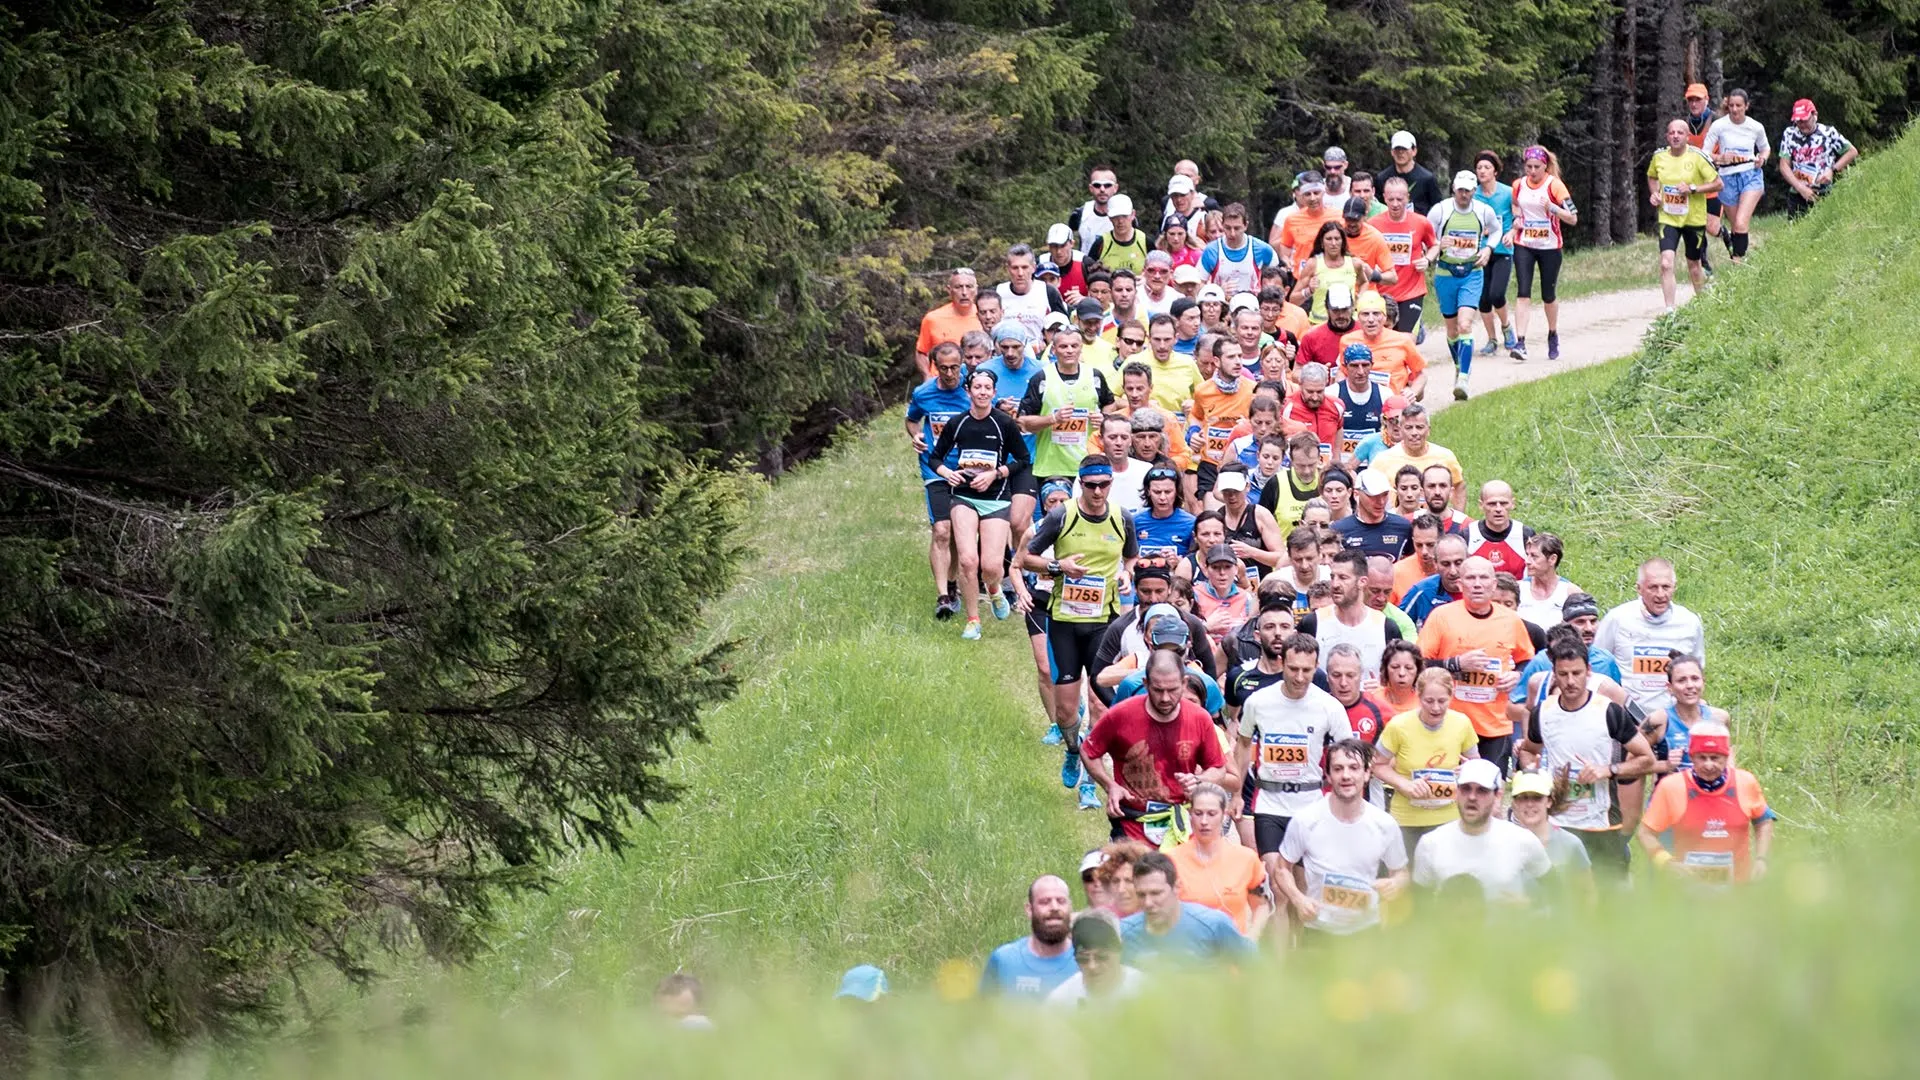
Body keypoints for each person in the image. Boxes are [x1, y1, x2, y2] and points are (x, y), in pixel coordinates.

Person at [1024, 453, 1140, 789]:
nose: (1098, 492)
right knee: (1065, 711)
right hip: (1064, 621)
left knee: (1101, 701)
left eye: (1104, 484)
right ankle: (1074, 749)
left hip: (1104, 622)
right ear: (1080, 484)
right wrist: (1061, 567)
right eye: (1091, 485)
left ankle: (1093, 772)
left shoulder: (1122, 518)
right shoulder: (1062, 516)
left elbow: (1131, 556)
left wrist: (1126, 574)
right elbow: (1026, 558)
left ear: (1111, 483)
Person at [1516, 640, 1656, 876]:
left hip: (1602, 824)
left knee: (1606, 899)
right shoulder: (1544, 712)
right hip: (1558, 823)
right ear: (1554, 675)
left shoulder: (1609, 711)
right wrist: (1532, 771)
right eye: (1563, 674)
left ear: (1588, 671)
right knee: (1561, 895)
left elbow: (1647, 760)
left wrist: (1607, 770)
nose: (1570, 681)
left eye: (1577, 673)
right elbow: (1529, 749)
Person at [1234, 631, 1353, 887]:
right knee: (1277, 882)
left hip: (1310, 803)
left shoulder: (1329, 707)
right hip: (1269, 803)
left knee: (1304, 884)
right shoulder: (1259, 702)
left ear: (1316, 667)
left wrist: (1344, 801)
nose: (1299, 677)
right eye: (1293, 669)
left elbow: (1348, 755)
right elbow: (1243, 743)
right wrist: (1235, 792)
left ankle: (1302, 926)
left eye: (1307, 671)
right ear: (1281, 663)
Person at [924, 367, 1031, 639]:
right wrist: (946, 473)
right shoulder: (957, 422)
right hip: (963, 496)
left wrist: (995, 473)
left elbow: (1022, 460)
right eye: (977, 387)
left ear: (994, 393)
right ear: (968, 391)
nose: (982, 392)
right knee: (968, 561)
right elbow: (935, 457)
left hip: (995, 498)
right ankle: (973, 620)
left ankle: (994, 589)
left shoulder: (1004, 423)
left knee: (991, 567)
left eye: (987, 388)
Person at [1080, 651, 1228, 843]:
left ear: (1184, 684)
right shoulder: (1121, 714)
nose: (1165, 698)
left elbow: (1218, 768)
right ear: (1145, 684)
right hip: (1131, 821)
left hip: (1179, 821)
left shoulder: (1199, 718)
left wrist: (1199, 781)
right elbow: (1089, 750)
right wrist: (1110, 786)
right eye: (1158, 690)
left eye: (1173, 689)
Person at [1274, 739, 1409, 934]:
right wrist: (1298, 899)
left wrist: (1396, 884)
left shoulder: (1384, 824)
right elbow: (1281, 868)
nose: (1346, 776)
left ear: (1367, 774)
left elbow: (1401, 872)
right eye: (1338, 769)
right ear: (1328, 775)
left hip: (1366, 932)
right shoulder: (1305, 820)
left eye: (1354, 768)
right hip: (1318, 930)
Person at [1419, 555, 1535, 769]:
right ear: (1461, 584)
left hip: (1495, 724)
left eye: (1483, 578)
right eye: (1471, 578)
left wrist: (1517, 675)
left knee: (1490, 787)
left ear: (1494, 584)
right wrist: (1455, 664)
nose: (1477, 584)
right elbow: (1419, 665)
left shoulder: (1510, 620)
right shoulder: (1442, 616)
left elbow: (1528, 661)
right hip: (1450, 720)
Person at [1636, 719, 1773, 885]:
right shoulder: (1672, 787)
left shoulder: (1745, 782)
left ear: (1726, 756)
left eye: (1715, 758)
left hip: (1737, 892)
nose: (1709, 765)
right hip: (1687, 892)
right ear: (1691, 756)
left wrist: (1761, 860)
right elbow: (1645, 832)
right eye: (1702, 757)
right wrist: (1666, 862)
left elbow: (1763, 821)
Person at [1410, 758, 1551, 904]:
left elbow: (1557, 891)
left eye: (1482, 790)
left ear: (1497, 796)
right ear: (1456, 792)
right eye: (1466, 788)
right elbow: (1420, 906)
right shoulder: (1431, 843)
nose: (1472, 797)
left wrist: (1530, 905)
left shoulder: (1522, 840)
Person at [1375, 667, 1481, 845]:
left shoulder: (1461, 723)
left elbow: (1476, 763)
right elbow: (1377, 765)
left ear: (1451, 695)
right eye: (1429, 701)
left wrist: (1469, 769)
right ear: (1417, 694)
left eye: (1442, 701)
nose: (1436, 708)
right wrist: (1405, 784)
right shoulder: (1398, 726)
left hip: (1450, 818)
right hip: (1408, 819)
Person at [906, 342, 971, 620]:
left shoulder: (972, 387)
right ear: (934, 366)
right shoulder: (924, 393)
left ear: (962, 364)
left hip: (969, 467)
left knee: (959, 533)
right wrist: (916, 435)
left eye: (954, 367)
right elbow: (911, 420)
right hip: (936, 468)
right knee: (942, 530)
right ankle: (943, 596)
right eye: (942, 368)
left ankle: (954, 584)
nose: (949, 373)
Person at [1593, 557, 1705, 717]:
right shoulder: (1618, 618)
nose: (1660, 594)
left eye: (1666, 587)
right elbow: (1599, 662)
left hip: (1674, 718)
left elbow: (1697, 669)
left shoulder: (1689, 622)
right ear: (1639, 588)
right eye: (1653, 587)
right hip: (1626, 718)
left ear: (1674, 587)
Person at [1426, 171, 1501, 400]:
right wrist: (1439, 244)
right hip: (1445, 273)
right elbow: (1426, 237)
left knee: (1465, 324)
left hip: (1472, 273)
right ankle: (1459, 365)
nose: (1464, 195)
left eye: (1468, 191)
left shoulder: (1483, 211)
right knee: (1451, 330)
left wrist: (1488, 249)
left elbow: (1497, 230)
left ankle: (1464, 379)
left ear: (1474, 192)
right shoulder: (1440, 210)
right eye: (1460, 190)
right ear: (1453, 190)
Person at [1166, 783, 1270, 936]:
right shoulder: (1170, 860)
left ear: (1224, 815)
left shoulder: (1246, 858)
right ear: (1190, 814)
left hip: (1232, 951)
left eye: (1212, 813)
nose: (1204, 821)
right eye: (1198, 813)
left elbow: (1262, 905)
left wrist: (1251, 938)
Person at [1020, 328, 1115, 484]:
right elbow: (1023, 422)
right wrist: (1053, 419)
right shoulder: (1041, 378)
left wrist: (1103, 418)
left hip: (1089, 464)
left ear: (1081, 348)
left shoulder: (1094, 376)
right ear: (1054, 349)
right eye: (1064, 346)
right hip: (1052, 467)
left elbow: (1110, 404)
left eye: (1074, 346)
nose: (1069, 351)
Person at [1120, 851, 1253, 963]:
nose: (1148, 902)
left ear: (1177, 887)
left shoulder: (1213, 925)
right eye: (1141, 895)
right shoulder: (1124, 933)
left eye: (1156, 893)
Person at [1647, 118, 1723, 313]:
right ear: (1667, 136)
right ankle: (1670, 311)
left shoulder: (1697, 157)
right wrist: (1655, 193)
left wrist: (1693, 188)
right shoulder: (1659, 157)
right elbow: (1652, 176)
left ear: (1688, 137)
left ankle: (1704, 306)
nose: (1675, 136)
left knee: (1694, 265)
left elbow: (1718, 184)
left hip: (1693, 219)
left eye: (1680, 133)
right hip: (1668, 218)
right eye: (1672, 132)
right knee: (1666, 263)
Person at [1508, 145, 1576, 361]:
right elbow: (1516, 206)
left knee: (1548, 295)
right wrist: (1516, 222)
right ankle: (1520, 342)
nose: (1533, 171)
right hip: (1524, 244)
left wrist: (1552, 208)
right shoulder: (1518, 185)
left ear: (1545, 166)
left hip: (1550, 246)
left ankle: (1552, 333)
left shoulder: (1555, 186)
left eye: (1537, 167)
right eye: (1529, 167)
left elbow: (1573, 218)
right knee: (1523, 292)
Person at [1300, 549, 1402, 687]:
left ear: (1362, 582)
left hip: (1369, 706)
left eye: (1343, 578)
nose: (1335, 584)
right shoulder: (1313, 623)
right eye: (1332, 577)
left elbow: (1400, 679)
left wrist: (1382, 689)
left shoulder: (1385, 627)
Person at [1507, 770, 1595, 909]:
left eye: (1537, 797)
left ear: (1548, 801)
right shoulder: (1504, 842)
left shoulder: (1570, 844)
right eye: (1523, 797)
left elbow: (1587, 894)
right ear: (1515, 803)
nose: (1530, 804)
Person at [980, 875, 1079, 999]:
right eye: (1045, 902)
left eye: (1061, 901)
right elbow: (981, 1014)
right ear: (1029, 909)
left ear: (1070, 906)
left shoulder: (1088, 962)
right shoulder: (1003, 960)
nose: (1054, 907)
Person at [1702, 89, 1769, 264]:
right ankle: (1742, 261)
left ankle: (1737, 264)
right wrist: (1720, 158)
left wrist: (1762, 158)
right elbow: (1705, 152)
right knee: (1736, 227)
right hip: (1727, 177)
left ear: (1746, 106)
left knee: (1740, 223)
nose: (1734, 109)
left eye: (1739, 106)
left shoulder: (1755, 126)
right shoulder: (1719, 126)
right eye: (1731, 105)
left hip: (1750, 175)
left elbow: (1765, 148)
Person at [1641, 651, 1727, 778]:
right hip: (1670, 795)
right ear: (1669, 687)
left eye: (1695, 679)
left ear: (1703, 682)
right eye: (1681, 680)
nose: (1690, 685)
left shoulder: (1720, 718)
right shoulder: (1658, 721)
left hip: (1708, 796)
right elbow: (1630, 764)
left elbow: (1728, 761)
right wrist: (1665, 765)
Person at [1371, 176, 1438, 339]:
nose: (1395, 204)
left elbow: (1435, 245)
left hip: (1412, 291)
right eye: (1391, 199)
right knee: (1384, 340)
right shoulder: (1373, 224)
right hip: (1383, 292)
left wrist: (1427, 260)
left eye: (1399, 199)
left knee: (1406, 340)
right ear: (1384, 198)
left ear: (1407, 198)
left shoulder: (1421, 222)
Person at [1777, 98, 1858, 218]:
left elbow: (1852, 152)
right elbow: (1784, 165)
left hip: (1824, 192)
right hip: (1798, 193)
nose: (1802, 125)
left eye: (1805, 121)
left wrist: (1832, 170)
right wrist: (1800, 188)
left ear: (1815, 115)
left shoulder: (1828, 133)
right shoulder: (1789, 134)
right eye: (1798, 122)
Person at [1371, 404, 1462, 509]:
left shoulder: (1445, 456)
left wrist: (1458, 520)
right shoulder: (1383, 460)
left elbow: (1459, 486)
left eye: (1419, 427)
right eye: (1408, 428)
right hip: (1397, 522)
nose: (1414, 433)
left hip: (1435, 523)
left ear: (1428, 430)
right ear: (1400, 430)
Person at [1471, 151, 1517, 359]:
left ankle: (1507, 327)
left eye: (1486, 167)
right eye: (1479, 168)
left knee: (1496, 294)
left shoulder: (1508, 193)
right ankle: (1491, 339)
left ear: (1495, 171)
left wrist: (1511, 232)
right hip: (1480, 251)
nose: (1482, 171)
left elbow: (1519, 217)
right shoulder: (1473, 195)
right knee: (1482, 299)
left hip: (1503, 250)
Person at [1046, 911, 1146, 1005]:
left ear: (1118, 951)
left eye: (1101, 957)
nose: (1092, 966)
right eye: (1083, 959)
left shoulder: (1146, 992)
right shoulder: (1061, 1002)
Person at [1214, 466, 1284, 579]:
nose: (1232, 496)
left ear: (1247, 487)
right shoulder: (1217, 518)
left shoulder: (1260, 515)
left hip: (1259, 583)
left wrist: (1251, 552)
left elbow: (1281, 557)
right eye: (1227, 491)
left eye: (1236, 491)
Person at [1682, 83, 1722, 275]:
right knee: (1697, 224)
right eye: (1691, 100)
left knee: (1712, 227)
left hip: (1714, 180)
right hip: (1692, 183)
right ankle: (1704, 264)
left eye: (1698, 99)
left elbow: (1727, 151)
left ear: (1706, 100)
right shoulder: (1683, 125)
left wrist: (1714, 158)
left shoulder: (1718, 122)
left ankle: (1730, 241)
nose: (1694, 103)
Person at [1329, 466, 1411, 559]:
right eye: (1373, 496)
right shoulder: (1338, 530)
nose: (1381, 501)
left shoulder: (1403, 527)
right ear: (1356, 495)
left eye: (1384, 495)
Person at [915, 267, 981, 378]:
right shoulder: (933, 319)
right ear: (949, 290)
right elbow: (921, 351)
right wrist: (926, 375)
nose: (964, 292)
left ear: (976, 289)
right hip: (940, 383)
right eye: (958, 287)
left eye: (969, 287)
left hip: (976, 384)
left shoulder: (984, 317)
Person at [1200, 203, 1277, 297]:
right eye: (1228, 228)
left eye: (1237, 228)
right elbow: (1199, 284)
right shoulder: (1211, 250)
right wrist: (1217, 291)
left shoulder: (1262, 249)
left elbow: (1278, 278)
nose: (1232, 233)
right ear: (1223, 225)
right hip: (1222, 306)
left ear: (1245, 226)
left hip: (1252, 306)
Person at [1273, 171, 1336, 280]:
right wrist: (1286, 260)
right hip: (1302, 278)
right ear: (1301, 195)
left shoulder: (1338, 216)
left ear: (1323, 192)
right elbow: (1285, 248)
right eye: (1307, 194)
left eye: (1316, 193)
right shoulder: (1292, 219)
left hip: (1331, 277)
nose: (1312, 198)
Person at [1464, 480, 1532, 579]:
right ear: (1481, 505)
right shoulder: (1468, 535)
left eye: (1503, 503)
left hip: (1518, 593)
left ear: (1513, 504)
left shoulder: (1525, 535)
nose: (1498, 509)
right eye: (1492, 504)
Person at [1333, 343, 1387, 467]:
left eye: (1365, 365)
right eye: (1354, 366)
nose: (1361, 371)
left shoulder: (1385, 394)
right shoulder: (1333, 394)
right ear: (1345, 367)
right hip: (1342, 465)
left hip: (1374, 464)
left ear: (1372, 365)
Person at [1516, 532, 1578, 628]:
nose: (1527, 561)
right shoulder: (1517, 589)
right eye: (1527, 555)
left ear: (1552, 559)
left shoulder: (1571, 593)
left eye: (1534, 556)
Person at [1377, 130, 1443, 215]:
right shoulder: (1382, 178)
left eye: (1404, 149)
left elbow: (1437, 208)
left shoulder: (1427, 178)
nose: (1400, 152)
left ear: (1414, 151)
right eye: (1397, 149)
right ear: (1392, 152)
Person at [1086, 194, 1149, 275]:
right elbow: (1090, 273)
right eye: (1116, 216)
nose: (1120, 221)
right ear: (1109, 217)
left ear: (1133, 214)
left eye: (1124, 216)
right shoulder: (1101, 243)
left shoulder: (1145, 241)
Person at [1070, 166, 1120, 253]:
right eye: (1097, 185)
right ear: (1091, 188)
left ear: (1115, 188)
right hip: (1086, 265)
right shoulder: (1080, 214)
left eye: (1107, 185)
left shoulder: (1125, 215)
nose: (1102, 189)